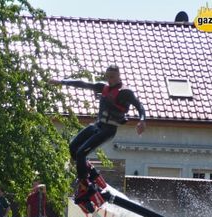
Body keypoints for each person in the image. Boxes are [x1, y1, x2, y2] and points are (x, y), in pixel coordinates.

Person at [51, 64, 146, 199]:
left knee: (81, 152)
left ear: (119, 76)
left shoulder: (125, 92)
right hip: (97, 126)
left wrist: (142, 120)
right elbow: (83, 84)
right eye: (107, 77)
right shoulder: (103, 87)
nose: (109, 80)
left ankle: (86, 186)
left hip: (109, 129)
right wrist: (61, 82)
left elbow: (139, 106)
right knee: (73, 147)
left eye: (112, 77)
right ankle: (92, 174)